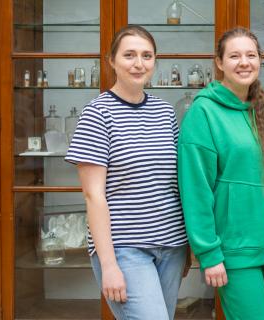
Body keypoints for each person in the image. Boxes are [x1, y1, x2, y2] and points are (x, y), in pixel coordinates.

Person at [65, 25, 188, 320]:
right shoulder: (97, 114)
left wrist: (189, 245)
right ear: (111, 61)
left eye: (147, 55)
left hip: (172, 246)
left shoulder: (165, 112)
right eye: (129, 55)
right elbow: (93, 195)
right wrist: (108, 265)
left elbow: (176, 184)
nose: (139, 63)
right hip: (125, 249)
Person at [177, 27, 264, 319]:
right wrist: (209, 254)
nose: (244, 62)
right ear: (219, 63)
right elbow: (196, 189)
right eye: (234, 56)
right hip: (233, 251)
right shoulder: (204, 113)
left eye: (251, 55)